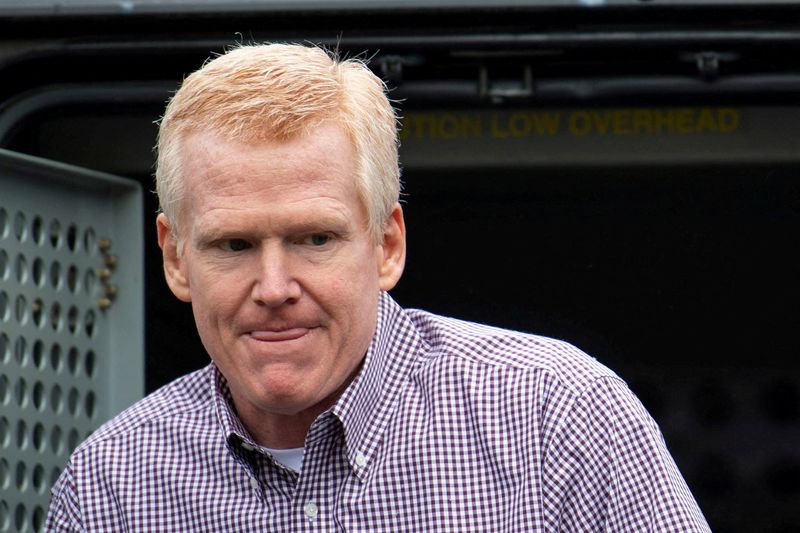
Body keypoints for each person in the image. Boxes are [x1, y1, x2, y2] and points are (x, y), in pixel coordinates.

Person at [46, 43, 710, 532]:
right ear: (175, 258)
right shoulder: (114, 485)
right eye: (235, 244)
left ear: (386, 244)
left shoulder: (555, 417)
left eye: (315, 238)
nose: (274, 286)